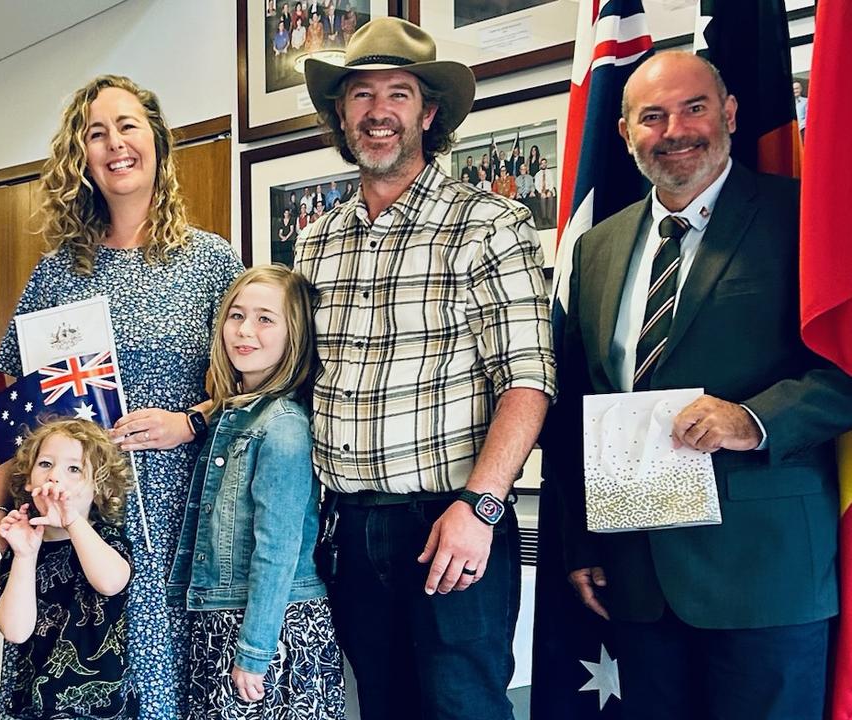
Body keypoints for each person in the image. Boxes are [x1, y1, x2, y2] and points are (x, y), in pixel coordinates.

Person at [545, 51, 852, 720]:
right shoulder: (596, 248)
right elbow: (575, 402)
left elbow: (846, 367)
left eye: (694, 108)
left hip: (765, 573)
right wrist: (581, 543)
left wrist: (755, 419)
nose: (674, 130)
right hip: (635, 576)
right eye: (650, 116)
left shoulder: (802, 221)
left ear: (731, 114)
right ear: (624, 133)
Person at [298, 18, 555, 718]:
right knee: (381, 706)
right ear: (341, 113)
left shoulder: (489, 224)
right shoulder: (316, 242)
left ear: (428, 112)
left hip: (451, 516)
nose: (377, 112)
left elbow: (526, 381)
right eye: (360, 95)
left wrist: (480, 507)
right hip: (347, 527)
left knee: (461, 706)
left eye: (398, 93)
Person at [0, 74, 243, 719]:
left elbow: (256, 387)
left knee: (161, 681)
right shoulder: (57, 270)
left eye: (128, 126)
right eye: (97, 133)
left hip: (174, 505)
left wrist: (189, 421)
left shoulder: (211, 261)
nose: (115, 144)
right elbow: (19, 407)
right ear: (82, 156)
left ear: (156, 139)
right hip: (71, 513)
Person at [168, 265, 345, 718]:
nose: (244, 331)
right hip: (221, 619)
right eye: (236, 315)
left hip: (271, 628)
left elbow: (277, 551)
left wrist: (254, 651)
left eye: (266, 319)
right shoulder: (231, 415)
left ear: (295, 336)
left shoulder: (282, 425)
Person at [0, 419, 137, 719]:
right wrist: (24, 555)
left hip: (102, 709)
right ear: (29, 481)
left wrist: (72, 522)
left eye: (74, 469)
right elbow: (15, 630)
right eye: (45, 464)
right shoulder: (22, 542)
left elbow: (111, 582)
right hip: (35, 707)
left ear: (99, 487)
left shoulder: (106, 540)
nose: (55, 476)